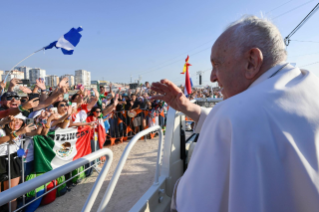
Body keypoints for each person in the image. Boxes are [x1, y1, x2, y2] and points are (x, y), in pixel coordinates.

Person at [152, 15, 319, 212]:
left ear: (251, 61)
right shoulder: (310, 86)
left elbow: (192, 203)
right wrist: (186, 106)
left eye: (217, 64)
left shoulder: (230, 115)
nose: (212, 77)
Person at [0, 114, 36, 211]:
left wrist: (45, 121)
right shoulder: (1, 130)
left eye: (20, 120)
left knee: (12, 195)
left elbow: (40, 132)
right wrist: (19, 132)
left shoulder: (22, 131)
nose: (17, 122)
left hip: (14, 160)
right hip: (1, 161)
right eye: (14, 120)